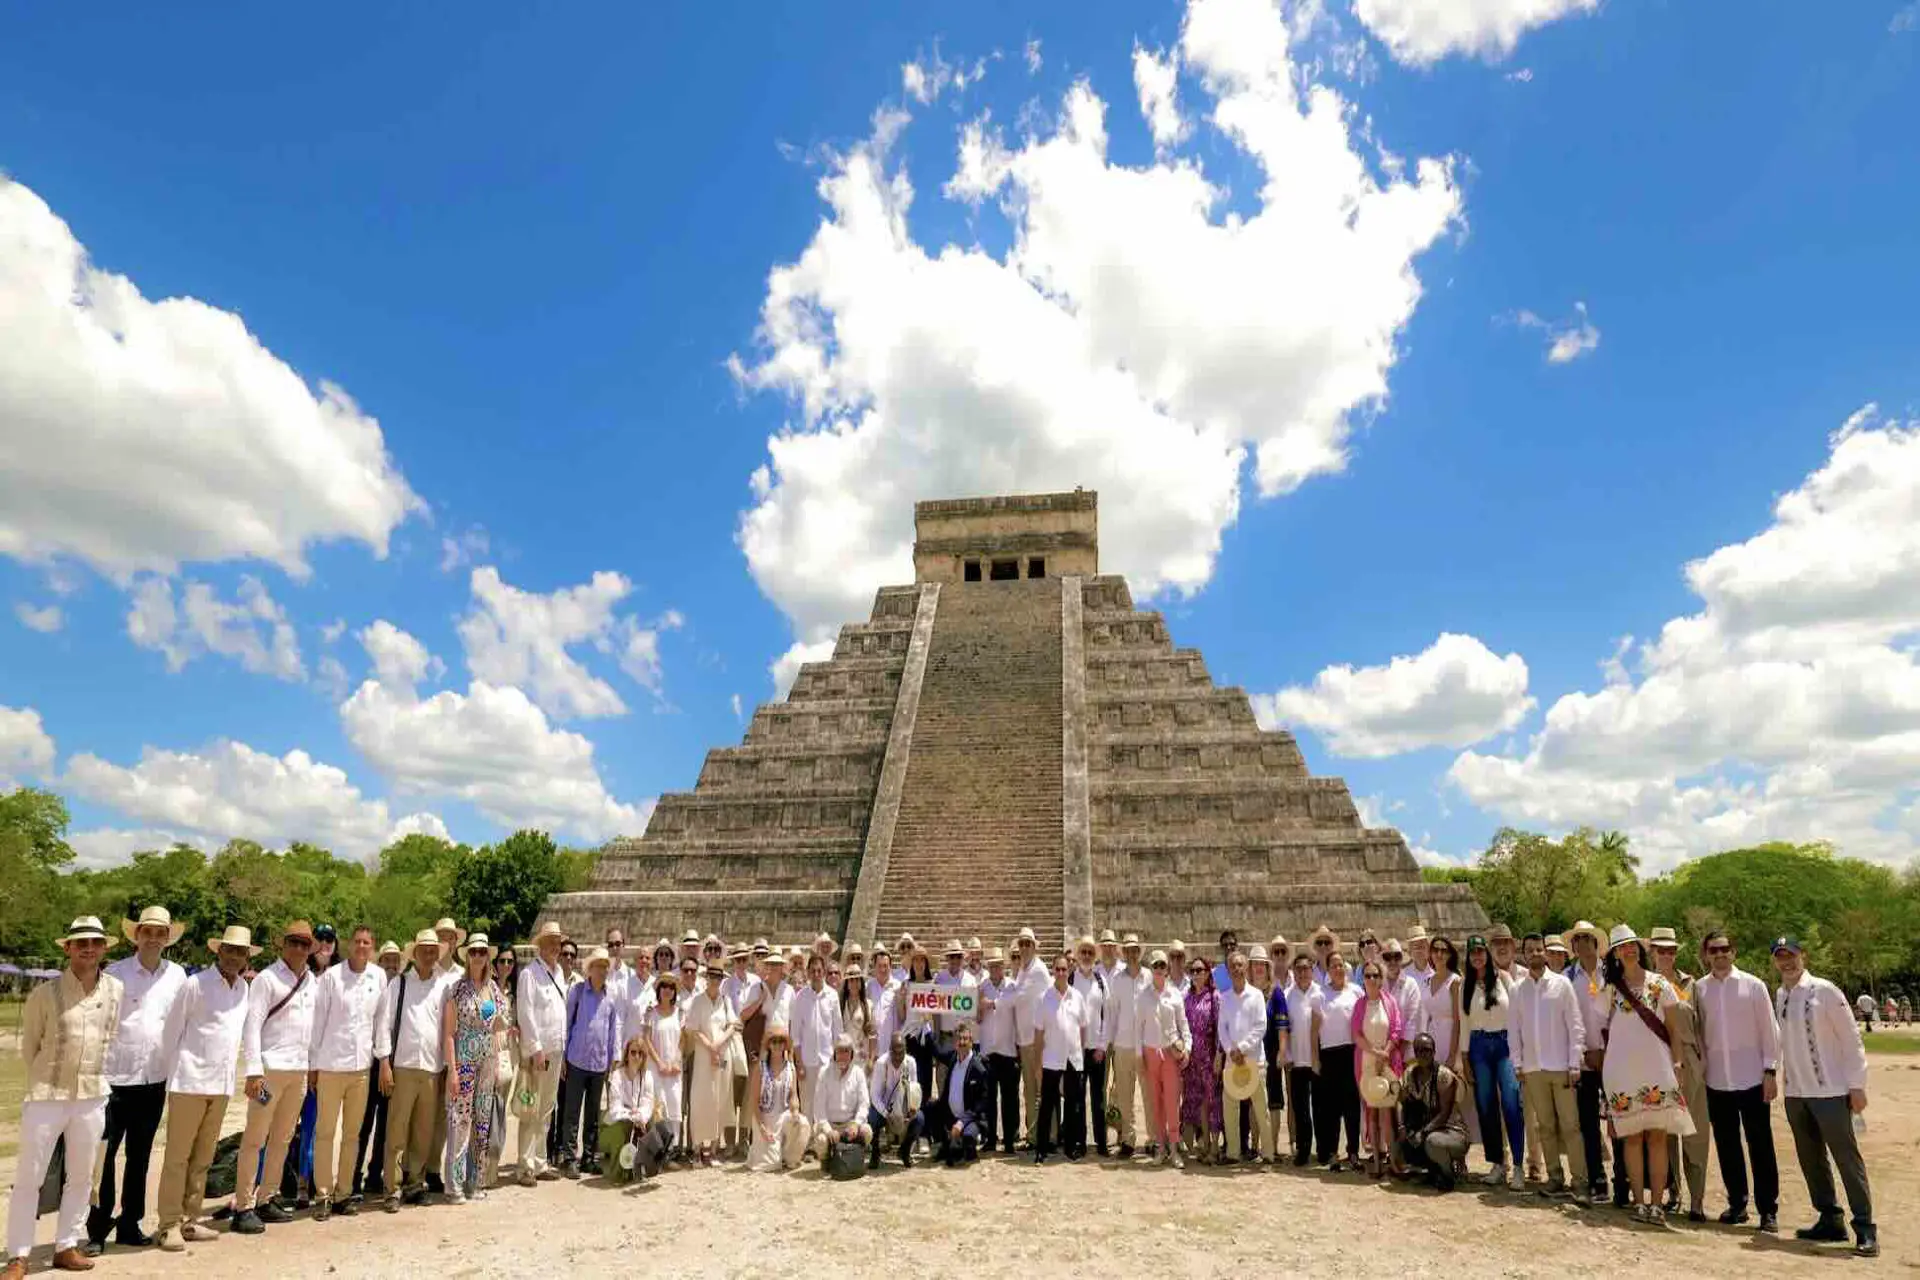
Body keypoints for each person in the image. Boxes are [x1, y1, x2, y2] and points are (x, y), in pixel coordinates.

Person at [5, 917, 123, 1278]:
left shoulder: (115, 990)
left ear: (104, 948)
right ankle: (18, 1256)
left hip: (92, 1095)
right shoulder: (45, 994)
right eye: (81, 942)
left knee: (82, 1177)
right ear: (68, 948)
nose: (89, 948)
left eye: (96, 942)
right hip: (47, 1096)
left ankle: (66, 1246)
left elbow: (111, 1038)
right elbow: (30, 1047)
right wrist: (51, 1079)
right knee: (30, 1177)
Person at [86, 905, 188, 1256]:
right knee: (103, 1157)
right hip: (114, 1079)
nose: (154, 938)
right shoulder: (114, 973)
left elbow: (180, 1024)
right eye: (148, 932)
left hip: (154, 1078)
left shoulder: (177, 976)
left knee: (140, 1157)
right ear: (137, 935)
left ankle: (130, 1223)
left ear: (167, 938)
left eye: (161, 933)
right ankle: (97, 1228)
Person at [1771, 936, 1876, 1257]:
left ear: (1803, 956)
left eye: (1791, 955)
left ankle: (1865, 1227)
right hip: (1796, 1092)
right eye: (1780, 957)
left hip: (1830, 1090)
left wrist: (1857, 1084)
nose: (1787, 962)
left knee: (1846, 1158)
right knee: (1811, 1159)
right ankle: (1830, 1218)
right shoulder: (1781, 994)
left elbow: (1851, 1038)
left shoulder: (1825, 990)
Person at [1595, 924, 1695, 1227]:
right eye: (1621, 947)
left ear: (1639, 949)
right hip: (1622, 1070)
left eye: (1632, 945)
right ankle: (1638, 1202)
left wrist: (1678, 1065)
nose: (1628, 950)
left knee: (1658, 1137)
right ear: (1614, 954)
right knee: (1632, 1138)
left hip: (1658, 1068)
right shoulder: (1609, 988)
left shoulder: (1660, 984)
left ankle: (1657, 1205)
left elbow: (1674, 1030)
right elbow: (1600, 1029)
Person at [227, 919, 319, 1234]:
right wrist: (253, 1071)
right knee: (255, 1138)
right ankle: (244, 1205)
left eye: (304, 944)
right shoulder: (267, 979)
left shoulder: (312, 982)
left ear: (310, 949)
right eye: (293, 942)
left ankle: (267, 1197)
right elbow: (252, 1026)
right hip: (268, 1074)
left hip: (298, 1073)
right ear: (283, 944)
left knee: (282, 1138)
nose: (298, 948)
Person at [1695, 928, 1781, 1232]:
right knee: (1727, 1145)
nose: (1720, 954)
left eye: (1725, 949)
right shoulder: (1699, 990)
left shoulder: (1753, 986)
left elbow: (1769, 1030)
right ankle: (1737, 1204)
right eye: (1713, 950)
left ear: (1734, 952)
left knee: (1761, 1145)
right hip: (1717, 1079)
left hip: (1752, 1077)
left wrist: (1770, 1070)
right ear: (1706, 955)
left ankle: (1768, 1210)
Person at [308, 924, 385, 1221]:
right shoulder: (332, 977)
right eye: (357, 941)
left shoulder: (378, 977)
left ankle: (343, 1193)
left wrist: (383, 1059)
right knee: (325, 1133)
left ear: (372, 947)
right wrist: (313, 1066)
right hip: (330, 1066)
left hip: (361, 1068)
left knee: (352, 1135)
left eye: (367, 942)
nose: (362, 947)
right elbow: (318, 1023)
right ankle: (322, 1195)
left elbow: (381, 1022)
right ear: (349, 944)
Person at [372, 929, 451, 1212]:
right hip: (403, 1066)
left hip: (431, 1068)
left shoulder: (443, 987)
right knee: (397, 1130)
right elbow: (383, 1025)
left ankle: (415, 1183)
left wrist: (446, 1067)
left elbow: (446, 1030)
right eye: (424, 950)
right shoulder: (400, 983)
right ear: (414, 953)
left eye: (433, 950)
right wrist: (384, 1062)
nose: (429, 955)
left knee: (423, 1131)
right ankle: (392, 1187)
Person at [1509, 932, 1589, 1204]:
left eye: (1538, 949)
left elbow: (1575, 1025)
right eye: (1529, 950)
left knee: (1571, 1126)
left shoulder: (1561, 984)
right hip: (1533, 1068)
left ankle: (1579, 1181)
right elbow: (1514, 1030)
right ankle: (1555, 1177)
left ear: (1545, 952)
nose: (1534, 953)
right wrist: (1517, 1063)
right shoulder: (1517, 990)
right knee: (1545, 1126)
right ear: (1524, 954)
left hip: (1561, 1066)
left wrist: (1575, 1061)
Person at [1648, 927, 1708, 1220]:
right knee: (1666, 1133)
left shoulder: (1691, 984)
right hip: (1658, 1060)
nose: (1666, 955)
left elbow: (1702, 1027)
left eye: (1671, 950)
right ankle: (1673, 1192)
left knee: (1695, 1132)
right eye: (1661, 950)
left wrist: (1702, 1062)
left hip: (1690, 1061)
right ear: (1652, 953)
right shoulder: (1644, 985)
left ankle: (1697, 1200)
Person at [439, 932, 504, 1202]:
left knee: (482, 1121)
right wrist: (452, 1070)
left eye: (482, 952)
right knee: (461, 1120)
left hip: (487, 1061)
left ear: (488, 956)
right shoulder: (456, 989)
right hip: (464, 1061)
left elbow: (498, 1027)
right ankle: (454, 1185)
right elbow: (449, 1034)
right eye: (473, 952)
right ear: (467, 956)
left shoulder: (494, 990)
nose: (478, 956)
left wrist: (497, 1061)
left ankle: (475, 1182)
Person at [1462, 933, 1524, 1190]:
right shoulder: (1466, 985)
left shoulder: (1504, 978)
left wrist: (1520, 1052)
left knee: (1511, 1102)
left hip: (1504, 1044)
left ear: (1486, 954)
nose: (1477, 956)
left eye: (1480, 951)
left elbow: (1517, 1015)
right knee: (1486, 1106)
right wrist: (1464, 1059)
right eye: (1472, 953)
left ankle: (1518, 1165)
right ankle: (1498, 1163)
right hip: (1478, 1046)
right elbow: (1464, 1023)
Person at [512, 921, 569, 1184]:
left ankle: (540, 1161)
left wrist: (562, 1050)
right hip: (539, 1053)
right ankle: (525, 1166)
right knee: (530, 1108)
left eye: (557, 942)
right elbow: (525, 1013)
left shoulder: (559, 973)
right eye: (550, 942)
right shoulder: (529, 974)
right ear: (541, 945)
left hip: (555, 1050)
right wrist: (535, 1049)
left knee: (546, 1108)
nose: (555, 947)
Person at [1564, 919, 1616, 1205]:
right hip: (1583, 1060)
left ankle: (1623, 1178)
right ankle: (1597, 1178)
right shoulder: (1567, 978)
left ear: (1596, 943)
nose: (1583, 944)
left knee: (1619, 1119)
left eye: (1587, 938)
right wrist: (1583, 1052)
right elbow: (1567, 1021)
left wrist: (1607, 1051)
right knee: (1588, 1123)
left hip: (1614, 1056)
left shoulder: (1613, 973)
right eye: (1578, 939)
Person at [352, 942, 407, 1202]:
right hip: (369, 1063)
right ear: (379, 961)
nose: (391, 965)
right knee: (363, 1123)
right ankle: (353, 1175)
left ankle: (375, 1174)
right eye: (387, 960)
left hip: (392, 1064)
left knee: (385, 1124)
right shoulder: (372, 986)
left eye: (395, 960)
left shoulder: (402, 987)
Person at [1351, 960, 1407, 1179]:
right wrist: (1376, 1053)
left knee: (1387, 1112)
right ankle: (1376, 1161)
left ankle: (1393, 1161)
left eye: (1375, 975)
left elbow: (1397, 1030)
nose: (1372, 979)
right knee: (1372, 1112)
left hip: (1387, 1062)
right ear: (1363, 979)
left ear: (1381, 978)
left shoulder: (1390, 1002)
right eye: (1368, 975)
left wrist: (1386, 1053)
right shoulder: (1359, 1005)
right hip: (1366, 1062)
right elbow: (1356, 1034)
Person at [1395, 1033, 1470, 1192]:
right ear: (1415, 1053)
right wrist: (1402, 1128)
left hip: (1452, 1132)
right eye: (1419, 1050)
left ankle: (1448, 1175)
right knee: (1403, 1143)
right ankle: (1433, 1171)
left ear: (1434, 1052)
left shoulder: (1444, 1076)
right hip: (1429, 1128)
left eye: (1427, 1050)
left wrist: (1421, 1133)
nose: (1423, 1054)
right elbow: (1400, 1101)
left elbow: (1444, 1114)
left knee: (1432, 1142)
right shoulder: (1410, 1073)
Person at [1138, 950, 1191, 1167]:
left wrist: (1187, 1048)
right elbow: (1138, 1028)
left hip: (1170, 1052)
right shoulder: (1143, 995)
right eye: (1155, 966)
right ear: (1151, 969)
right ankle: (1161, 1147)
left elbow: (1183, 1024)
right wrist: (1139, 1056)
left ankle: (1174, 1149)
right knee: (1156, 1103)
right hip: (1151, 1052)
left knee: (1171, 1102)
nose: (1159, 969)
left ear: (1167, 969)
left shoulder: (1175, 994)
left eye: (1162, 966)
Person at [1218, 951, 1272, 1165]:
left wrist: (1242, 1048)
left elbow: (1260, 1027)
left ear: (1246, 967)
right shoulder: (1225, 998)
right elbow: (1222, 1029)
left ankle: (1268, 1154)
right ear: (1228, 971)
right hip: (1232, 1061)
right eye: (1233, 966)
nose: (1237, 969)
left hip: (1254, 1060)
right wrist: (1231, 1050)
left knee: (1260, 1109)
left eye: (1240, 965)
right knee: (1229, 1109)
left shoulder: (1256, 995)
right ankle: (1233, 1152)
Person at [1034, 954, 1089, 1164]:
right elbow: (1039, 1034)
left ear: (1069, 971)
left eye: (1064, 969)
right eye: (1057, 969)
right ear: (1053, 971)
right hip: (1051, 1058)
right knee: (1047, 1106)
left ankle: (1070, 1147)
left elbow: (1083, 1028)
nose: (1060, 973)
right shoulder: (1044, 998)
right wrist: (1038, 1064)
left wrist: (1080, 1053)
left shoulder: (1077, 997)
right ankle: (1041, 1149)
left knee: (1072, 1106)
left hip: (1073, 1059)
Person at [686, 964, 740, 1166]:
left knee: (720, 1100)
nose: (715, 980)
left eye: (718, 977)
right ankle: (698, 1148)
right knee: (701, 1100)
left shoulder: (725, 1001)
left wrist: (718, 1045)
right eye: (712, 976)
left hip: (722, 1057)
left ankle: (714, 1149)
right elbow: (693, 1030)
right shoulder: (698, 1001)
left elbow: (733, 1025)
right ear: (706, 978)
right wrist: (711, 1047)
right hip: (703, 1057)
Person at [1312, 954, 1362, 1170]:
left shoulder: (1356, 992)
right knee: (1331, 1107)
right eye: (1333, 966)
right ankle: (1333, 1152)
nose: (1338, 969)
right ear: (1328, 970)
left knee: (1352, 1106)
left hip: (1352, 1052)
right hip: (1329, 1054)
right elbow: (1314, 1031)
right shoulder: (1320, 995)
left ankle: (1353, 1151)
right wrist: (1315, 1058)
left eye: (1340, 965)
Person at [603, 1036, 670, 1183]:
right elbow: (615, 1107)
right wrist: (632, 1116)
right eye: (633, 1052)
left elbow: (648, 1103)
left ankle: (650, 1166)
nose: (636, 1057)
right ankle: (620, 1171)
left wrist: (640, 1118)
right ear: (627, 1054)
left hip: (640, 1120)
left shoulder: (647, 1076)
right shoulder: (617, 1075)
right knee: (623, 1126)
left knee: (656, 1122)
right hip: (619, 1121)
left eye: (640, 1053)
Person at [1105, 934, 1149, 1158]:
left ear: (1139, 953)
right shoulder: (1117, 980)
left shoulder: (1148, 977)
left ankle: (1153, 1138)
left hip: (1145, 1045)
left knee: (1149, 1094)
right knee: (1124, 1096)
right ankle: (1128, 1139)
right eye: (1128, 950)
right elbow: (1112, 1013)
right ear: (1124, 953)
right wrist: (1110, 1042)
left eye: (1135, 950)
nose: (1132, 954)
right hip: (1122, 1044)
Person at [745, 1023, 809, 1172]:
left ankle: (790, 1157)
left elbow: (793, 1095)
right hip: (764, 1119)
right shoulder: (760, 1068)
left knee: (802, 1123)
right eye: (774, 1041)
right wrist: (762, 1128)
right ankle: (768, 1152)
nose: (778, 1045)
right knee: (771, 1165)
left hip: (783, 1116)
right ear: (768, 1045)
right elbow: (754, 1101)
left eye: (781, 1041)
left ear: (785, 1045)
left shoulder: (791, 1068)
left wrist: (795, 1110)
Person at [1179, 956, 1224, 1164]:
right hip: (1191, 1060)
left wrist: (1219, 1055)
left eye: (1200, 970)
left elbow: (1220, 1029)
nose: (1196, 974)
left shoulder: (1214, 997)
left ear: (1208, 973)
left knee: (1212, 1102)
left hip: (1209, 1058)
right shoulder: (1187, 998)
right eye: (1193, 971)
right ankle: (1204, 1144)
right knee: (1198, 1104)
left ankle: (1214, 1147)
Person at [977, 947, 1020, 1154]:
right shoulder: (981, 987)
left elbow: (1015, 1012)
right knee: (989, 1099)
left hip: (1007, 1049)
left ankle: (1009, 1139)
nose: (994, 969)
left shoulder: (1012, 986)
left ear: (1003, 966)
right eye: (991, 965)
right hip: (988, 1050)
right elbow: (977, 1018)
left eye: (998, 965)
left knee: (1009, 1099)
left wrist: (992, 1003)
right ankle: (991, 1138)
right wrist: (979, 1005)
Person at [1070, 937, 1110, 1157]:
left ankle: (1101, 1141)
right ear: (1078, 955)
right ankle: (1079, 1142)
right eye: (1083, 952)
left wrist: (1102, 1046)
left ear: (1095, 956)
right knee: (1077, 1098)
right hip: (1076, 1049)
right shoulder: (1070, 979)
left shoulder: (1101, 981)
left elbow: (1108, 1016)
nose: (1086, 956)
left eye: (1090, 953)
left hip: (1096, 1049)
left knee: (1098, 1098)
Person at [930, 1023, 991, 1166]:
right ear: (954, 1043)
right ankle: (946, 1145)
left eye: (965, 1039)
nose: (962, 1042)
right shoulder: (953, 1058)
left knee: (968, 1136)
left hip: (971, 1119)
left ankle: (967, 1148)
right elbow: (937, 1052)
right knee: (930, 1108)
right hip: (951, 1115)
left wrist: (962, 1121)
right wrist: (927, 1029)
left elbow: (981, 1104)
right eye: (959, 1039)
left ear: (971, 1042)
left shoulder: (979, 1068)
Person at [639, 972, 686, 1156]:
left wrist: (675, 1061)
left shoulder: (680, 1013)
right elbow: (646, 1039)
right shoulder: (651, 1013)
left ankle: (671, 1150)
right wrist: (659, 1062)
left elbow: (682, 1039)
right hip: (655, 1068)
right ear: (658, 990)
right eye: (664, 986)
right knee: (658, 1107)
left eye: (671, 987)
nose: (667, 990)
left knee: (674, 1105)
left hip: (674, 1069)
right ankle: (658, 1151)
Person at [1011, 928, 1050, 1145]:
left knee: (1042, 1090)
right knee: (1030, 1090)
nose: (1024, 947)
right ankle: (1035, 1136)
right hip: (1024, 1040)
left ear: (1034, 947)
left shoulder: (1038, 970)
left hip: (1037, 1041)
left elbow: (1046, 1001)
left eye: (1028, 943)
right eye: (1022, 944)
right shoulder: (1023, 970)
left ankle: (1049, 1136)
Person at [1282, 953, 1321, 1166]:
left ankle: (1323, 1149)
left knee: (1321, 1107)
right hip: (1296, 1061)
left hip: (1317, 1060)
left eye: (1306, 968)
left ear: (1312, 971)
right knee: (1301, 1108)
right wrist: (1287, 1056)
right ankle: (1303, 1149)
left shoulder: (1321, 994)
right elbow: (1283, 1030)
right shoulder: (1287, 995)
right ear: (1294, 972)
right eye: (1299, 969)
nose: (1303, 973)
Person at [866, 1033, 925, 1168]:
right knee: (871, 1117)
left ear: (906, 1050)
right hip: (883, 1109)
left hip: (902, 1108)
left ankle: (904, 1151)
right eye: (895, 1053)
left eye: (901, 1053)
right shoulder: (881, 1063)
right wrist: (887, 1114)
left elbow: (914, 1090)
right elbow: (874, 1095)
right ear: (890, 1051)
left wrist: (912, 1110)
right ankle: (875, 1153)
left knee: (920, 1119)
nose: (898, 1057)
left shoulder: (911, 1062)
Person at [809, 1034, 873, 1160]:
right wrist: (829, 1131)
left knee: (867, 1132)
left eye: (846, 1051)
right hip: (830, 1124)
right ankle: (826, 1162)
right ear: (834, 1054)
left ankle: (855, 1158)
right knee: (821, 1141)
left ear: (852, 1054)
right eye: (839, 1051)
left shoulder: (858, 1073)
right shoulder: (824, 1073)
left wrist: (856, 1124)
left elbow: (864, 1104)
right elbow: (818, 1108)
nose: (842, 1056)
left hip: (850, 1124)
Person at [1211, 929, 1239, 994]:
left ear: (1237, 946)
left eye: (1232, 944)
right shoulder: (1215, 973)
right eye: (1225, 945)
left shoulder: (1246, 970)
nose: (1228, 947)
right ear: (1221, 948)